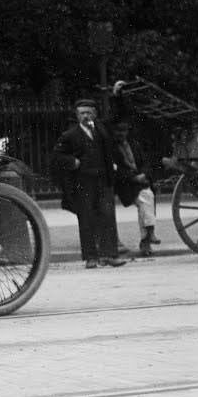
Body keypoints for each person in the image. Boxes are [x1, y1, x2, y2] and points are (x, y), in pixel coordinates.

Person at [51, 98, 126, 269]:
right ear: (77, 116)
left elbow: (118, 117)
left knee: (108, 217)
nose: (86, 116)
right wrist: (73, 162)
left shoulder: (101, 129)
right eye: (82, 113)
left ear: (95, 114)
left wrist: (117, 95)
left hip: (103, 180)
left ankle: (110, 255)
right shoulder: (69, 135)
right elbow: (57, 156)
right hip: (83, 183)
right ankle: (91, 258)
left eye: (89, 112)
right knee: (87, 220)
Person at [112, 120, 160, 258]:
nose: (121, 134)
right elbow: (116, 170)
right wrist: (133, 178)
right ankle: (149, 234)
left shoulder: (134, 145)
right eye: (118, 131)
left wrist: (143, 174)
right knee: (147, 197)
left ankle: (146, 239)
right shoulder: (111, 148)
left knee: (146, 198)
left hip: (140, 181)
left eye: (124, 131)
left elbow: (145, 162)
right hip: (125, 184)